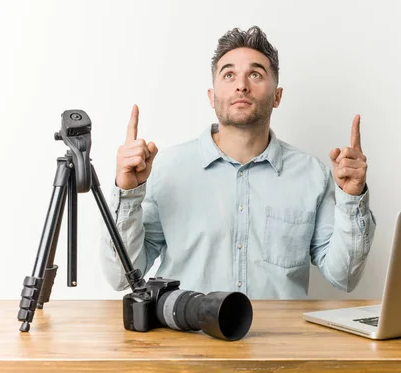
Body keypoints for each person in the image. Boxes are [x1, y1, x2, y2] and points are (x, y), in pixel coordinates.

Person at [100, 26, 376, 299]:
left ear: (277, 96)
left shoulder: (312, 174)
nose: (241, 84)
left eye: (255, 74)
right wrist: (128, 193)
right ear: (212, 97)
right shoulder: (166, 169)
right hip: (191, 338)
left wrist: (352, 198)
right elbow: (121, 277)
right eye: (229, 74)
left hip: (280, 341)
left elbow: (344, 277)